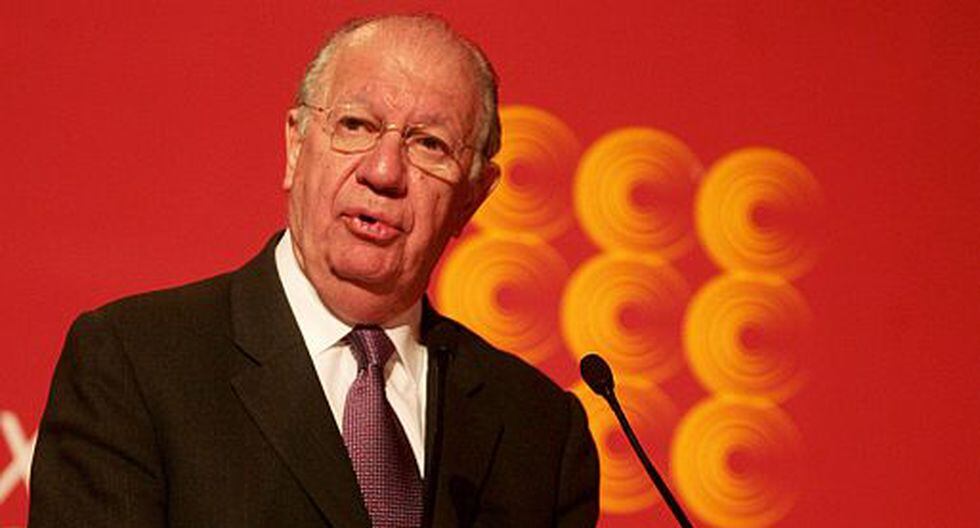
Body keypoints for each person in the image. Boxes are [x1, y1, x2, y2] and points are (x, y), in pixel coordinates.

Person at [28, 14, 599, 528]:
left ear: (473, 196)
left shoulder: (540, 432)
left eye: (429, 144)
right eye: (355, 125)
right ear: (296, 146)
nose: (383, 171)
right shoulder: (136, 362)